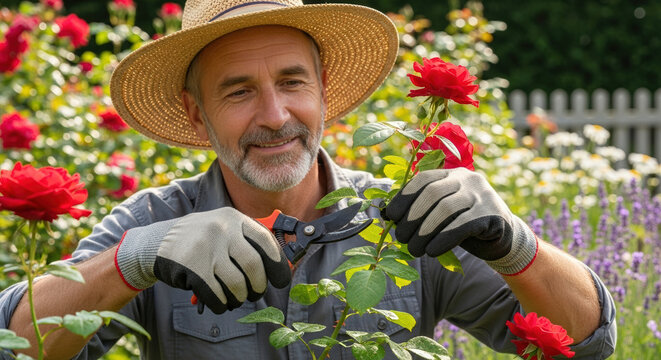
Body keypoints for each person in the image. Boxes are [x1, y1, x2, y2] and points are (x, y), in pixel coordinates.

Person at [0, 0, 616, 359]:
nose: (274, 116)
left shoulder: (402, 218)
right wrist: (133, 261)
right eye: (238, 91)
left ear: (323, 93)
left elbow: (588, 344)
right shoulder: (155, 221)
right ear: (195, 112)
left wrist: (517, 246)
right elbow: (15, 347)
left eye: (293, 82)